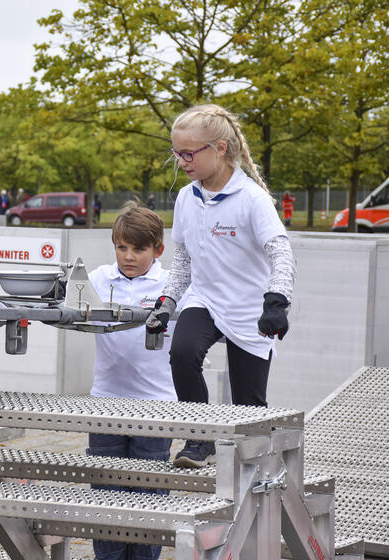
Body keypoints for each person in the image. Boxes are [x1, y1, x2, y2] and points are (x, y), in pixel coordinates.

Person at [146, 104, 295, 468]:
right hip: (206, 297)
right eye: (176, 153)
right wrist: (167, 301)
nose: (181, 162)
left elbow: (281, 252)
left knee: (248, 404)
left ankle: (256, 472)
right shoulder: (186, 198)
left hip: (247, 307)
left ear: (220, 149)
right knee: (181, 354)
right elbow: (183, 261)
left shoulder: (252, 199)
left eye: (188, 153)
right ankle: (200, 440)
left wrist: (277, 300)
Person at [88, 202, 175, 560]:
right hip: (106, 400)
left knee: (148, 499)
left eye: (138, 249)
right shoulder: (97, 279)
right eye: (121, 247)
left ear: (158, 250)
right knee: (106, 492)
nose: (128, 256)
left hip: (156, 406)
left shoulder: (171, 285)